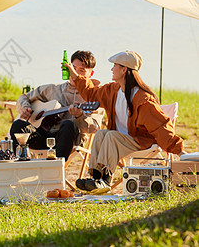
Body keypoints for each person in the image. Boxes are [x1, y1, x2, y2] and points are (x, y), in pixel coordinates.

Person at [65, 50, 187, 191]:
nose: (112, 69)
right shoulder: (113, 90)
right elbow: (91, 94)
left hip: (139, 143)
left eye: (115, 66)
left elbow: (160, 126)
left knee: (111, 135)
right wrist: (74, 75)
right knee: (101, 134)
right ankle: (95, 177)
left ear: (124, 70)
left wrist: (179, 151)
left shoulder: (143, 99)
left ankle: (106, 180)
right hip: (119, 141)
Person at [9, 50, 103, 160]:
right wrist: (25, 107)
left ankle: (56, 168)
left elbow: (95, 127)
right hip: (42, 137)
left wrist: (80, 116)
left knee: (68, 124)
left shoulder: (94, 96)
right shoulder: (53, 89)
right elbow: (24, 97)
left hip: (68, 141)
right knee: (18, 125)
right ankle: (18, 166)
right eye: (72, 68)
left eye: (81, 70)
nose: (74, 73)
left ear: (91, 74)